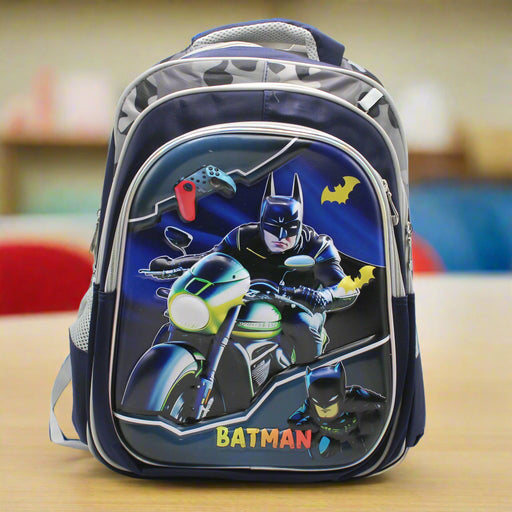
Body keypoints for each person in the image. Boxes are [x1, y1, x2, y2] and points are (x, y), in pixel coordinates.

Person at [149, 173, 359, 363]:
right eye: (273, 228)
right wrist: (172, 266)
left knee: (302, 323)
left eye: (289, 229)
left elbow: (345, 286)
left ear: (299, 224)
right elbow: (211, 259)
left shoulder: (316, 246)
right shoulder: (242, 238)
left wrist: (323, 296)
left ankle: (309, 376)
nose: (281, 236)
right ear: (262, 222)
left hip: (295, 306)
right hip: (245, 300)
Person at [288, 363, 386, 457]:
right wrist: (307, 425)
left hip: (352, 433)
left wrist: (372, 414)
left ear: (341, 398)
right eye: (320, 407)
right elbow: (293, 420)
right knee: (324, 451)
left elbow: (384, 403)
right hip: (329, 436)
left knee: (364, 449)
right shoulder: (309, 406)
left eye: (330, 406)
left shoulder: (354, 398)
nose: (325, 411)